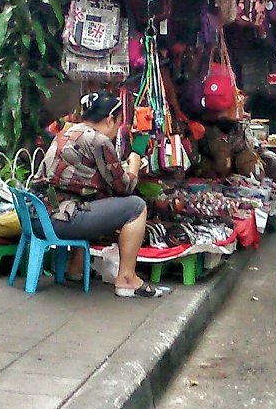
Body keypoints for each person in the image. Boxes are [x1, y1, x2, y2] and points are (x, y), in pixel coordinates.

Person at [31, 92, 172, 298]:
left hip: (37, 215)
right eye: (117, 123)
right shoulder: (98, 140)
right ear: (110, 120)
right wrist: (134, 162)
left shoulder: (68, 132)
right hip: (58, 220)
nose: (117, 130)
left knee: (94, 200)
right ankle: (127, 279)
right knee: (135, 206)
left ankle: (75, 268)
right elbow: (124, 187)